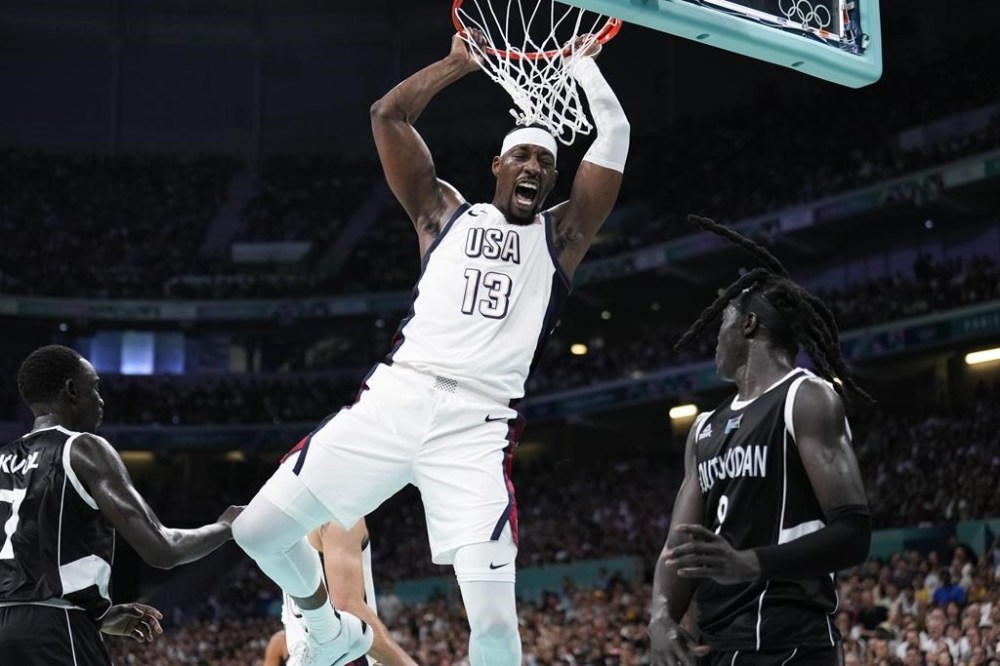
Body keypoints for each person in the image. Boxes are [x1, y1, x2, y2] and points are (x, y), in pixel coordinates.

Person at [232, 30, 628, 666]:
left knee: (497, 629)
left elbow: (612, 139)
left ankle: (336, 632)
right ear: (497, 166)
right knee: (255, 532)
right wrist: (456, 64)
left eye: (545, 162)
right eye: (522, 156)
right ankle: (328, 629)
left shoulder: (562, 235)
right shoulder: (442, 213)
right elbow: (386, 115)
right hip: (398, 396)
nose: (534, 166)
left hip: (477, 427)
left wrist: (586, 71)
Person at [648, 216, 874, 666]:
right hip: (716, 644)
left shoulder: (805, 398)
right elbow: (680, 546)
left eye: (724, 320)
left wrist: (752, 562)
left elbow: (854, 533)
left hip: (789, 641)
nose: (715, 335)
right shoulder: (704, 428)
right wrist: (660, 617)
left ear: (749, 324)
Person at [0, 345, 242, 665]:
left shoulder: (2, 458)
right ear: (72, 390)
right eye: (95, 386)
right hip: (56, 633)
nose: (100, 399)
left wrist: (99, 614)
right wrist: (225, 527)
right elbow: (163, 549)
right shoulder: (83, 448)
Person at [266, 516, 417, 666]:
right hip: (346, 656)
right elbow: (346, 606)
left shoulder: (285, 533)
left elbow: (292, 621)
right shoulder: (339, 518)